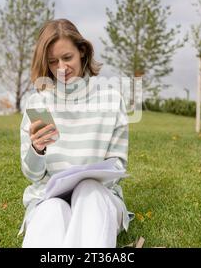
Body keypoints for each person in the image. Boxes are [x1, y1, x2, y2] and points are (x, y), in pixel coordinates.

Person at [18, 18, 134, 248]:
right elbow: (32, 175)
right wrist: (37, 150)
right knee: (52, 209)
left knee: (89, 190)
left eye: (67, 58)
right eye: (53, 62)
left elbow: (117, 167)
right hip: (48, 197)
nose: (61, 68)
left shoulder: (110, 100)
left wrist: (88, 177)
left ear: (82, 52)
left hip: (99, 197)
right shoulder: (38, 103)